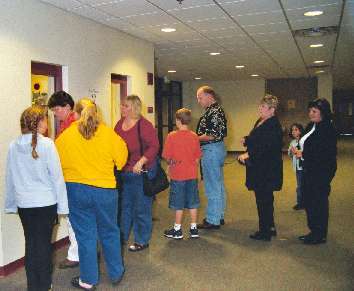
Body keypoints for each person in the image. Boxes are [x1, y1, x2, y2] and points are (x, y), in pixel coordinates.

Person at [55, 98, 128, 290]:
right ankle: (116, 272)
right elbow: (121, 159)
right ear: (96, 113)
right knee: (110, 231)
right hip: (105, 190)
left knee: (85, 235)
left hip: (76, 190)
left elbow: (55, 164)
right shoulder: (107, 133)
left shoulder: (66, 135)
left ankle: (88, 280)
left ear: (76, 114)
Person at [5, 105, 68, 291]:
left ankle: (33, 286)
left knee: (31, 244)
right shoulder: (47, 144)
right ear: (40, 122)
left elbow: (10, 177)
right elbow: (57, 178)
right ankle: (43, 286)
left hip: (24, 205)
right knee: (43, 247)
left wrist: (10, 203)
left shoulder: (13, 145)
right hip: (45, 204)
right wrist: (63, 207)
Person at [114, 94, 159, 252]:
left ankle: (142, 240)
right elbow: (115, 146)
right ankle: (122, 236)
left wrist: (141, 161)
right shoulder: (119, 124)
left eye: (126, 106)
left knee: (141, 208)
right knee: (124, 207)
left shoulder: (144, 125)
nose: (122, 108)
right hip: (125, 172)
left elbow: (154, 147)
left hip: (142, 172)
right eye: (122, 105)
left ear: (134, 108)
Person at [238, 95, 283, 241]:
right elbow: (257, 139)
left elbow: (266, 148)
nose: (260, 109)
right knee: (265, 198)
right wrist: (247, 139)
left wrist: (248, 155)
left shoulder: (273, 125)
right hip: (260, 167)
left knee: (264, 199)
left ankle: (265, 231)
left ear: (272, 110)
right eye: (260, 106)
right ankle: (269, 226)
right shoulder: (261, 121)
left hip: (266, 169)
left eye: (263, 107)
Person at [294, 98, 337, 245]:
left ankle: (320, 234)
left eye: (314, 111)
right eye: (310, 111)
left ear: (323, 113)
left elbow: (325, 154)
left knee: (318, 202)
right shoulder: (312, 125)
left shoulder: (328, 129)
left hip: (321, 172)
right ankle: (314, 231)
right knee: (309, 201)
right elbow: (306, 143)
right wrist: (299, 150)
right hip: (309, 170)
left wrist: (303, 154)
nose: (311, 114)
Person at [47, 90, 79, 269]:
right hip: (72, 177)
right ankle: (81, 250)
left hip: (72, 178)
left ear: (67, 107)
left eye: (57, 109)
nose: (55, 114)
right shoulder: (66, 123)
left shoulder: (72, 125)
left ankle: (75, 255)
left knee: (72, 218)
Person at [162, 108, 202, 239]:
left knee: (178, 203)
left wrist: (171, 165)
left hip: (178, 175)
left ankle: (177, 230)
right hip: (192, 174)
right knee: (193, 202)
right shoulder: (195, 136)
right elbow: (197, 158)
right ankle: (194, 228)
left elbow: (167, 156)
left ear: (178, 120)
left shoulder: (171, 136)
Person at [196, 86, 227, 230]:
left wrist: (194, 139)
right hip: (216, 149)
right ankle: (218, 215)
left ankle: (213, 219)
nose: (198, 101)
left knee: (212, 185)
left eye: (200, 97)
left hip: (211, 149)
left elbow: (212, 135)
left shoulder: (214, 112)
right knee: (218, 184)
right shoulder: (215, 110)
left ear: (209, 96)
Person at [288, 123, 305, 210]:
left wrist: (298, 152)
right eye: (292, 130)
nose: (294, 132)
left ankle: (303, 202)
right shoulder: (292, 142)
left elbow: (306, 153)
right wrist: (291, 152)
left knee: (302, 186)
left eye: (296, 130)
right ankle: (300, 202)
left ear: (301, 131)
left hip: (304, 167)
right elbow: (290, 155)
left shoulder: (304, 141)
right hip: (297, 168)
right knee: (300, 186)